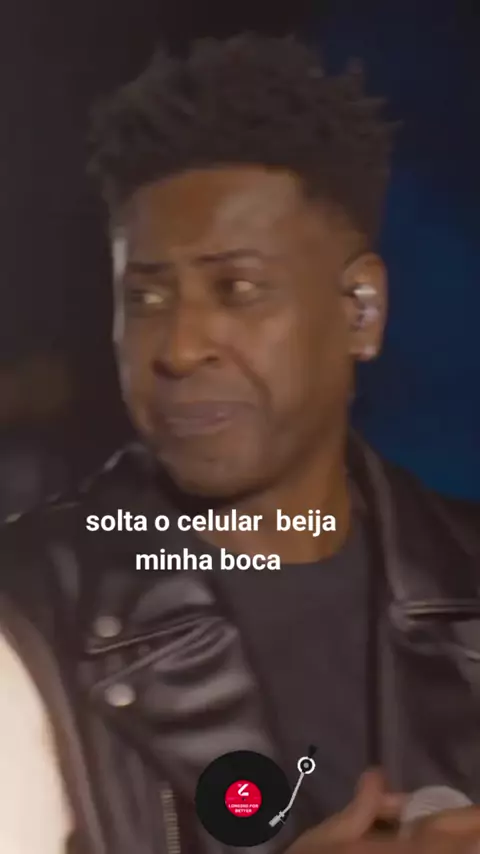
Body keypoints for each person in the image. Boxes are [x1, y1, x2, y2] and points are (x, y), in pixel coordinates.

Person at [0, 34, 479, 854]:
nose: (181, 347)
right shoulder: (25, 615)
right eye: (147, 298)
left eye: (238, 289)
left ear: (360, 311)